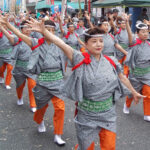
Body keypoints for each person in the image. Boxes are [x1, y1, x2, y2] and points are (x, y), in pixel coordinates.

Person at [25, 18, 144, 150]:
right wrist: (45, 33)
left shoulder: (111, 60)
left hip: (107, 113)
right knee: (86, 146)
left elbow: (122, 77)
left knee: (109, 146)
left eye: (101, 41)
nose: (99, 44)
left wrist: (133, 91)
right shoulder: (78, 58)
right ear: (85, 44)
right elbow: (61, 44)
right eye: (94, 41)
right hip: (86, 114)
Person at [0, 17, 66, 146]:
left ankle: (58, 134)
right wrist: (7, 24)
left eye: (52, 30)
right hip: (42, 81)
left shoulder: (59, 43)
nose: (50, 32)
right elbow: (18, 34)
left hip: (57, 81)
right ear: (42, 31)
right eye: (47, 30)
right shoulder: (35, 42)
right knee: (41, 106)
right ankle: (39, 121)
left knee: (60, 108)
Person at [0, 21, 37, 112]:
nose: (27, 30)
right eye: (25, 28)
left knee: (32, 85)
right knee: (20, 86)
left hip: (31, 68)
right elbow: (9, 37)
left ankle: (33, 104)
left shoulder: (34, 40)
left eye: (29, 28)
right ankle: (19, 98)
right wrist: (2, 27)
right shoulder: (17, 39)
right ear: (21, 30)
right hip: (19, 68)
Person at [123, 22, 150, 122]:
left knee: (148, 93)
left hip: (147, 74)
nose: (145, 34)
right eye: (143, 32)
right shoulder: (134, 44)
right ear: (137, 33)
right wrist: (126, 23)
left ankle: (147, 114)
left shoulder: (149, 44)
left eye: (147, 32)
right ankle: (126, 105)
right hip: (135, 74)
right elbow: (130, 37)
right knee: (131, 93)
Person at [0, 24, 13, 89]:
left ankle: (7, 83)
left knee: (10, 69)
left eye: (5, 25)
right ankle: (1, 76)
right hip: (1, 56)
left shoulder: (11, 34)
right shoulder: (0, 34)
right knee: (1, 69)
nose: (4, 27)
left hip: (9, 56)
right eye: (2, 26)